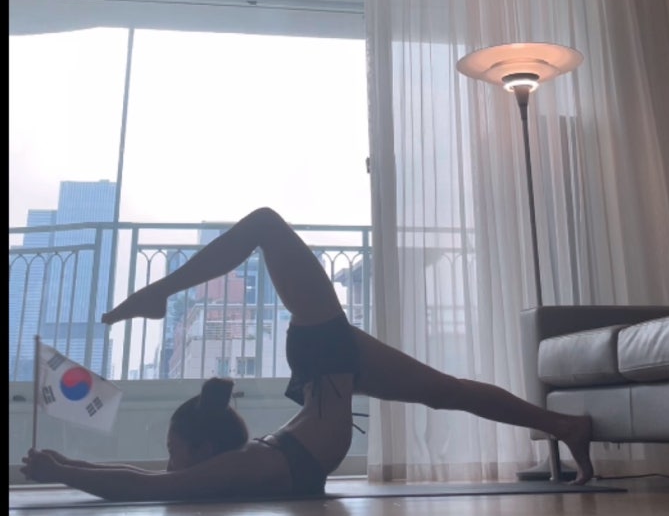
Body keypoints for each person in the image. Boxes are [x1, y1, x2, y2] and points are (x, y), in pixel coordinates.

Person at [21, 207, 593, 500]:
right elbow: (146, 484)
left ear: (203, 449)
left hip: (324, 363)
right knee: (450, 392)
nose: (169, 464)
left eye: (172, 452)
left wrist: (64, 468)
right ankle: (565, 425)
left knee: (265, 224)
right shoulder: (234, 470)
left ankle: (159, 294)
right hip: (327, 361)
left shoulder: (233, 469)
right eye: (172, 453)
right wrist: (63, 469)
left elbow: (142, 483)